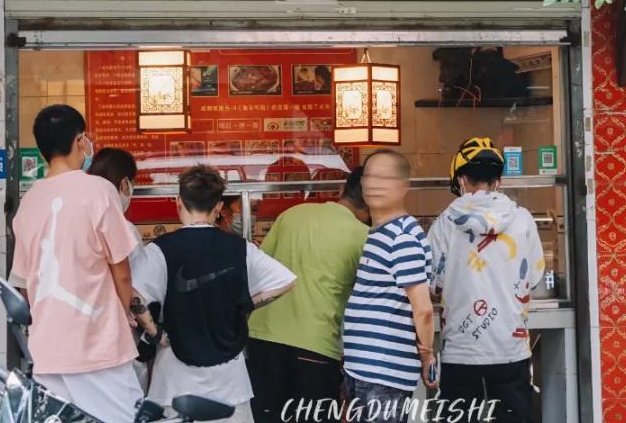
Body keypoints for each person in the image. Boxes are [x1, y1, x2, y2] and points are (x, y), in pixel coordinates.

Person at [132, 165, 297, 423]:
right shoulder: (241, 248)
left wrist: (155, 332)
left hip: (174, 381)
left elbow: (133, 295)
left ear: (178, 202)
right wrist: (246, 304)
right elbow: (285, 281)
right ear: (219, 206)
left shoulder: (159, 250)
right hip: (230, 383)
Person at [9, 105, 143, 423]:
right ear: (80, 140)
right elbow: (122, 271)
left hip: (47, 351)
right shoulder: (99, 190)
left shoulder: (28, 202)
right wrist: (124, 313)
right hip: (98, 346)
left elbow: (25, 287)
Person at [428, 138, 545, 423]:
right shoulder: (522, 219)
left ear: (461, 179)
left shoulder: (444, 223)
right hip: (510, 348)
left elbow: (432, 283)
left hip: (460, 350)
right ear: (498, 181)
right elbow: (534, 276)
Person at [247, 166, 371, 423]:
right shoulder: (365, 237)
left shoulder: (293, 214)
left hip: (262, 339)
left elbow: (258, 270)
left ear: (341, 190)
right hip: (316, 346)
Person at [342, 150, 435, 423]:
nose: (374, 185)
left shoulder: (402, 237)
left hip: (382, 372)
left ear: (404, 186)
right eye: (370, 176)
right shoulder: (381, 232)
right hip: (365, 369)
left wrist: (427, 356)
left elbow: (423, 309)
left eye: (385, 178)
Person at [87, 148, 158, 394]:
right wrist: (153, 330)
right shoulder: (122, 227)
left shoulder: (81, 220)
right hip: (120, 337)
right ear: (125, 183)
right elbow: (133, 284)